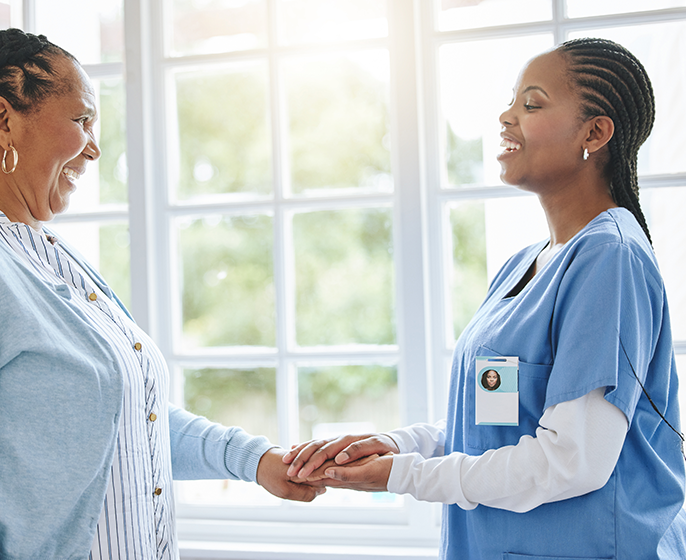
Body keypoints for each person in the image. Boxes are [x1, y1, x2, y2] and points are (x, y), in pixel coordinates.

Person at [0, 28, 320, 560]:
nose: (95, 148)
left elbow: (125, 418)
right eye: (82, 121)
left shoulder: (42, 251)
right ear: (1, 122)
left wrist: (258, 461)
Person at [283, 38, 686, 558]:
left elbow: (571, 460)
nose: (506, 116)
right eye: (512, 100)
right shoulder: (524, 265)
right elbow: (496, 424)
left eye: (531, 104)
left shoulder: (610, 258)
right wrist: (403, 444)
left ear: (595, 132)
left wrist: (403, 476)